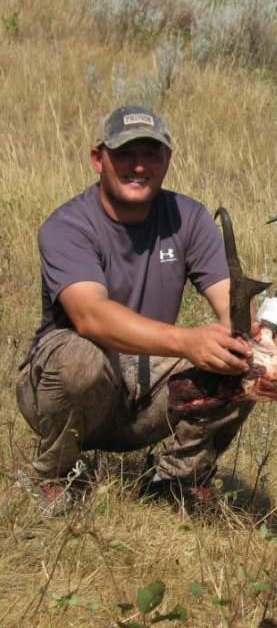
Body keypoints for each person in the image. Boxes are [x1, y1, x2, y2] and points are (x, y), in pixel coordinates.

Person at [15, 105, 254, 515]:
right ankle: (52, 475)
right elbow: (91, 317)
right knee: (79, 360)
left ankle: (182, 479)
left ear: (167, 161)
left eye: (150, 154)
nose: (138, 167)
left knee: (242, 358)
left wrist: (255, 337)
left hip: (146, 383)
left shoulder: (189, 217)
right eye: (125, 154)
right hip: (73, 381)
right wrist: (186, 341)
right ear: (98, 159)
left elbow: (227, 296)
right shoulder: (67, 225)